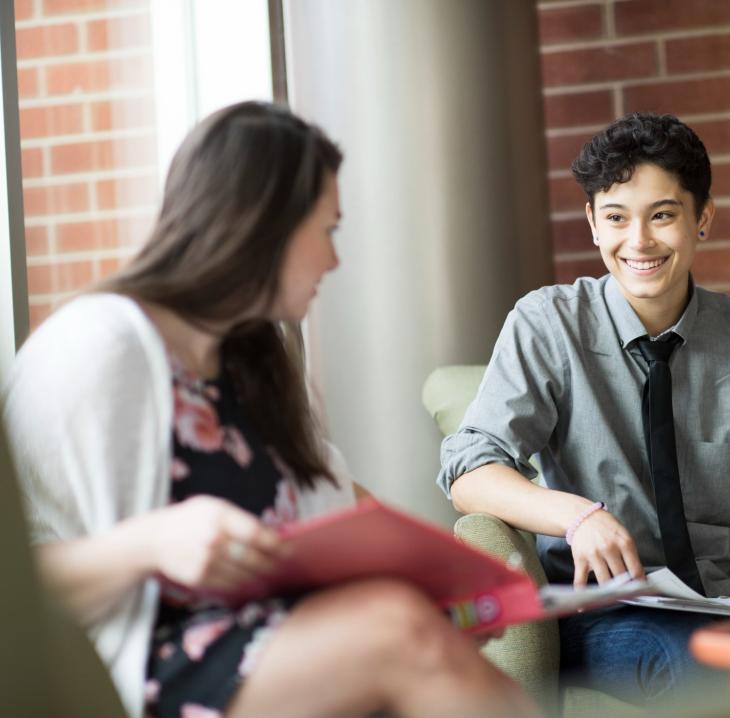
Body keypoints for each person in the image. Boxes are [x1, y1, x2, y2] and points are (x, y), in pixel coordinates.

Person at [4, 101, 538, 718]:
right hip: (146, 669)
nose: (334, 262)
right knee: (398, 634)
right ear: (264, 224)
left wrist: (455, 590)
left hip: (278, 647)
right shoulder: (96, 347)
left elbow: (335, 512)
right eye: (328, 230)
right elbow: (14, 582)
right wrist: (147, 544)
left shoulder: (260, 354)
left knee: (422, 631)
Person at [437, 112, 730, 703]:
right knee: (703, 666)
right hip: (608, 608)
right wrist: (577, 516)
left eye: (662, 215)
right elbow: (469, 470)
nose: (640, 241)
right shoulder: (548, 324)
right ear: (593, 225)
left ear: (701, 218)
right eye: (616, 218)